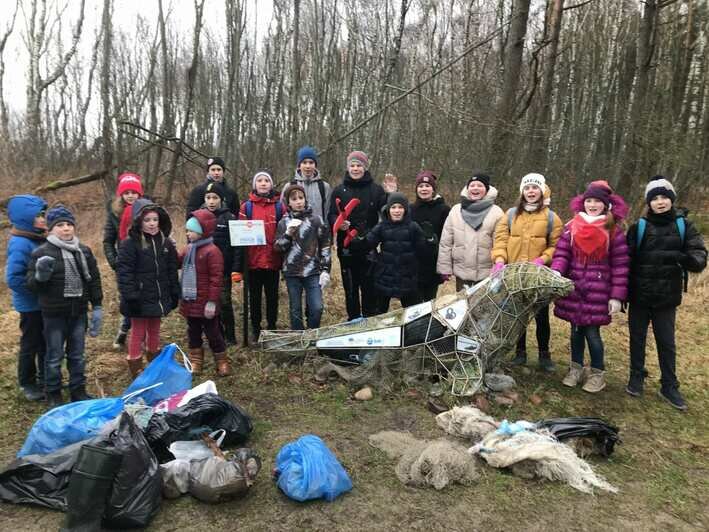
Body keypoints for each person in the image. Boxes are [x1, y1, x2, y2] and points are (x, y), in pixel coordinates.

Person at [625, 177, 706, 410]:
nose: (660, 202)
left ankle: (669, 385)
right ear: (648, 202)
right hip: (639, 295)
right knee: (637, 338)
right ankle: (636, 376)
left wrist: (688, 259)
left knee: (666, 342)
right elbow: (625, 260)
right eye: (655, 198)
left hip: (666, 298)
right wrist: (620, 292)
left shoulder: (684, 226)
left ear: (672, 200)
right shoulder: (639, 227)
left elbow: (699, 255)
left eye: (664, 197)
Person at [551, 181, 630, 393]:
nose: (592, 205)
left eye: (597, 201)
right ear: (582, 203)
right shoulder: (571, 227)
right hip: (575, 288)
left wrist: (616, 296)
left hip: (598, 292)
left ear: (606, 205)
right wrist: (557, 272)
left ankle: (597, 373)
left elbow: (621, 266)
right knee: (575, 332)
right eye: (589, 201)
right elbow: (562, 254)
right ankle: (575, 369)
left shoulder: (613, 230)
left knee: (593, 335)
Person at [27, 205, 102, 407]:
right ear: (51, 229)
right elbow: (33, 286)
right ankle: (53, 393)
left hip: (78, 312)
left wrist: (97, 307)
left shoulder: (83, 251)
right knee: (54, 355)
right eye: (60, 225)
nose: (66, 228)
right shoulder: (41, 253)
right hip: (54, 314)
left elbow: (93, 280)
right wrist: (41, 275)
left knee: (77, 355)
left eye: (69, 224)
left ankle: (78, 390)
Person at [491, 172, 562, 371]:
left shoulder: (551, 217)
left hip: (537, 277)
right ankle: (519, 353)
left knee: (541, 317)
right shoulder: (511, 214)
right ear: (522, 191)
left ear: (542, 190)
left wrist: (543, 259)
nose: (531, 191)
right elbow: (501, 240)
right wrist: (499, 260)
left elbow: (557, 245)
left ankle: (544, 355)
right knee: (517, 315)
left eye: (535, 187)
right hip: (514, 275)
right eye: (527, 188)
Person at [117, 198, 180, 377]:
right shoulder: (130, 244)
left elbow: (171, 269)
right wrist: (130, 295)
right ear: (139, 222)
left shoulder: (166, 243)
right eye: (147, 220)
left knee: (154, 328)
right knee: (138, 330)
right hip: (139, 296)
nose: (152, 224)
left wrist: (174, 291)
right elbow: (124, 272)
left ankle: (154, 361)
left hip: (159, 296)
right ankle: (135, 364)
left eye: (155, 220)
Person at [327, 150, 387, 320]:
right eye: (352, 165)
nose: (355, 169)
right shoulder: (339, 190)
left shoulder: (376, 190)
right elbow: (331, 214)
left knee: (369, 288)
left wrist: (390, 194)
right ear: (348, 168)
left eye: (359, 165)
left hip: (369, 246)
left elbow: (386, 213)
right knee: (351, 289)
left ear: (365, 167)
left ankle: (369, 321)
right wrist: (338, 223)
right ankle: (353, 321)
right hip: (347, 248)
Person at [352, 192, 427, 311]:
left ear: (405, 210)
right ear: (388, 209)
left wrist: (430, 241)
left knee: (414, 314)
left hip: (407, 277)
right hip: (385, 276)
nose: (397, 211)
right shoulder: (382, 226)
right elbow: (367, 246)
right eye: (393, 207)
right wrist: (360, 239)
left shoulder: (413, 227)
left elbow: (423, 251)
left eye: (400, 207)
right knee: (379, 314)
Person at [5, 195, 48, 401]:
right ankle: (27, 382)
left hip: (43, 304)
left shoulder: (38, 237)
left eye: (43, 215)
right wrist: (36, 291)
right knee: (30, 343)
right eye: (39, 216)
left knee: (44, 342)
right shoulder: (21, 243)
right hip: (30, 306)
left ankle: (44, 378)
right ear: (25, 218)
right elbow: (13, 278)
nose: (43, 219)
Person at [180, 209, 231, 376]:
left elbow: (216, 279)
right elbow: (177, 262)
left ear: (203, 230)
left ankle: (222, 361)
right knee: (193, 332)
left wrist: (212, 301)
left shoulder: (212, 251)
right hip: (190, 299)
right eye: (187, 231)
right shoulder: (188, 249)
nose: (188, 234)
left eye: (192, 231)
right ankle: (196, 362)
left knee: (213, 333)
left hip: (206, 302)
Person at [274, 184, 331, 329]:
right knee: (295, 309)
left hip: (312, 271)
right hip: (292, 272)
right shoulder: (283, 222)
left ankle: (312, 334)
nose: (298, 201)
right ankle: (298, 339)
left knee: (317, 307)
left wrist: (325, 269)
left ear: (305, 199)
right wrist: (288, 234)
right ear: (288, 203)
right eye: (294, 199)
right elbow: (277, 247)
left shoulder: (316, 221)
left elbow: (325, 245)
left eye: (301, 198)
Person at [436, 173, 502, 292]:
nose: (475, 188)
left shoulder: (497, 213)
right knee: (463, 307)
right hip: (462, 273)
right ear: (467, 188)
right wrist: (444, 268)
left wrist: (498, 267)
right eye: (472, 185)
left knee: (484, 308)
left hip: (487, 274)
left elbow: (500, 244)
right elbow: (446, 242)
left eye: (480, 185)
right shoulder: (456, 210)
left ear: (486, 190)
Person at [238, 170, 283, 340]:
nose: (263, 183)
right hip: (253, 262)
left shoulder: (279, 206)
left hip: (273, 261)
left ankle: (271, 329)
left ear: (271, 185)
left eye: (266, 181)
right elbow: (239, 235)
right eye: (260, 181)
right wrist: (239, 266)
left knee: (272, 297)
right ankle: (255, 330)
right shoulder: (246, 207)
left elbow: (285, 232)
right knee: (254, 298)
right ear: (254, 185)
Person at [103, 172, 144, 348]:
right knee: (128, 298)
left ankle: (139, 335)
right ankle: (124, 331)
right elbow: (107, 241)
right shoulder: (114, 213)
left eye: (133, 192)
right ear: (121, 195)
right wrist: (115, 262)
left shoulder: (146, 209)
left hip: (144, 260)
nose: (130, 196)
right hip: (125, 263)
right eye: (126, 193)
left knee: (143, 298)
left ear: (139, 194)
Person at [203, 181, 242, 345]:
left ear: (221, 199)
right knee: (210, 302)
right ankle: (214, 334)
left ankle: (230, 336)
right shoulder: (199, 216)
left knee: (224, 302)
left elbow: (237, 247)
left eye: (215, 197)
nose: (211, 201)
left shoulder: (229, 217)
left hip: (224, 270)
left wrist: (236, 269)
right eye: (208, 197)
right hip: (205, 270)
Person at [282, 146, 332, 225]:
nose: (308, 166)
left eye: (311, 162)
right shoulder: (289, 186)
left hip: (317, 232)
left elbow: (327, 212)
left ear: (315, 165)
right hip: (295, 232)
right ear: (299, 165)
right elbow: (283, 211)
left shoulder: (324, 187)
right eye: (304, 162)